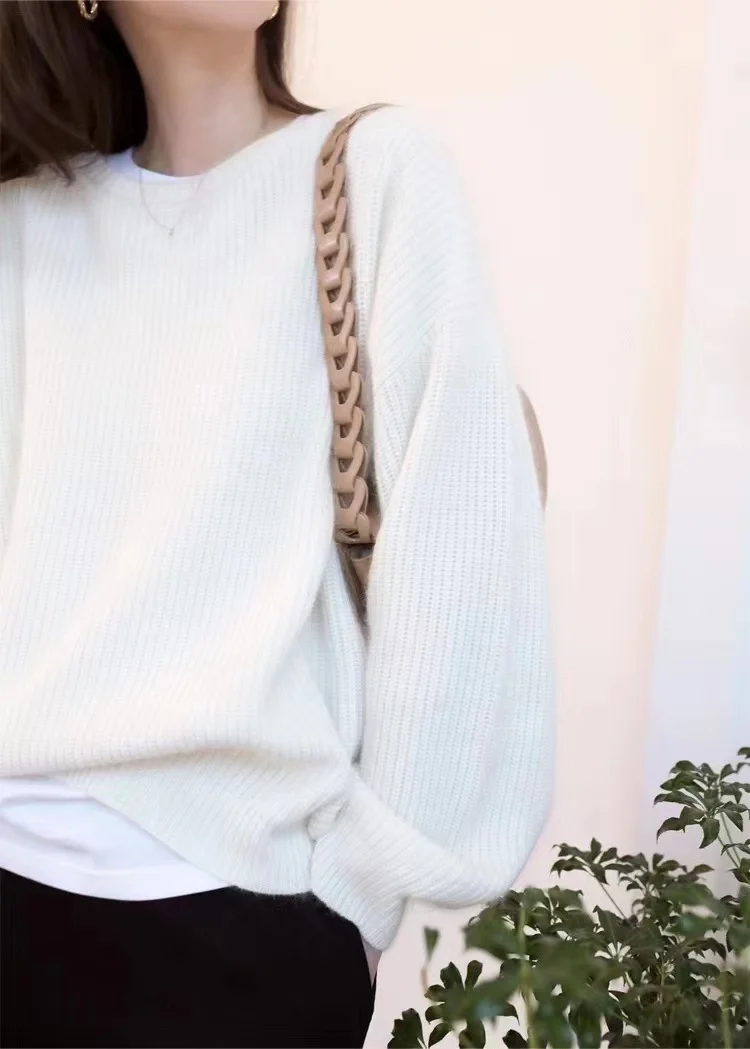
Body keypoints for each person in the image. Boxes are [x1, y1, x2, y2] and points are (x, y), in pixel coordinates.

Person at [0, 1, 554, 1047]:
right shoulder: (26, 225)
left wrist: (361, 897)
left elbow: (464, 557)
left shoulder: (379, 175)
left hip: (240, 933)